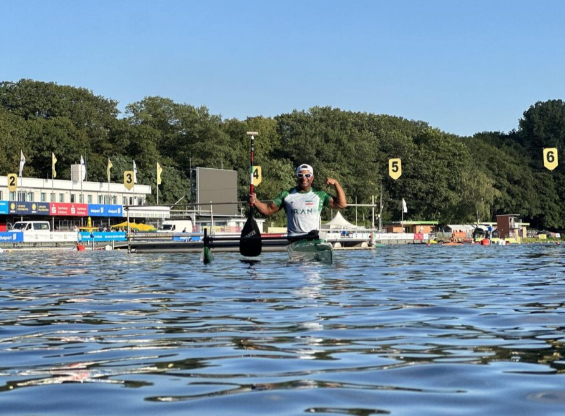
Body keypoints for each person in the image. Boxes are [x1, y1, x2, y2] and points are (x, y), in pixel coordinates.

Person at [249, 163, 347, 236]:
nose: (304, 178)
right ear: (297, 177)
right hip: (294, 238)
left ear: (312, 178)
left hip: (312, 236)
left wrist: (336, 183)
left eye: (307, 175)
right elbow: (267, 210)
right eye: (300, 175)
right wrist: (255, 201)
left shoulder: (320, 195)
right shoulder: (286, 195)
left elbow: (342, 204)